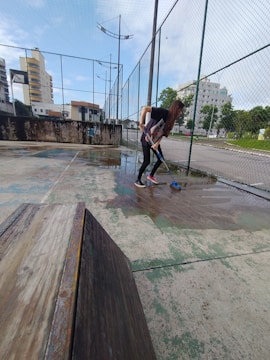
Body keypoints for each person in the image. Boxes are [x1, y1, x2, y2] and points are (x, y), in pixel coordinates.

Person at [134, 99, 185, 188]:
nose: (181, 113)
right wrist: (141, 123)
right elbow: (145, 109)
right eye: (180, 111)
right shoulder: (163, 112)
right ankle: (138, 179)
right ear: (176, 109)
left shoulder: (171, 122)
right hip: (146, 138)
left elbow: (163, 134)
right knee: (147, 161)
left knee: (161, 159)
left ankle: (151, 176)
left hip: (154, 141)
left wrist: (157, 144)